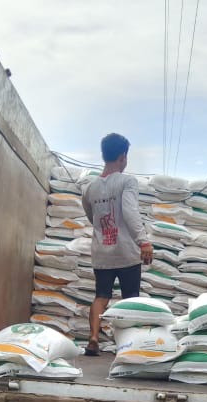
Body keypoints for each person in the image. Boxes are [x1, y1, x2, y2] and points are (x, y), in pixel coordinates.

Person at [80, 132, 153, 356]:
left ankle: (93, 337)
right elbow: (130, 212)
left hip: (102, 252)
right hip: (126, 251)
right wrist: (144, 242)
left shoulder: (89, 188)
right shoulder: (127, 181)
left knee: (101, 296)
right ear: (122, 157)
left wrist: (104, 232)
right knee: (130, 297)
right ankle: (128, 344)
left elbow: (91, 217)